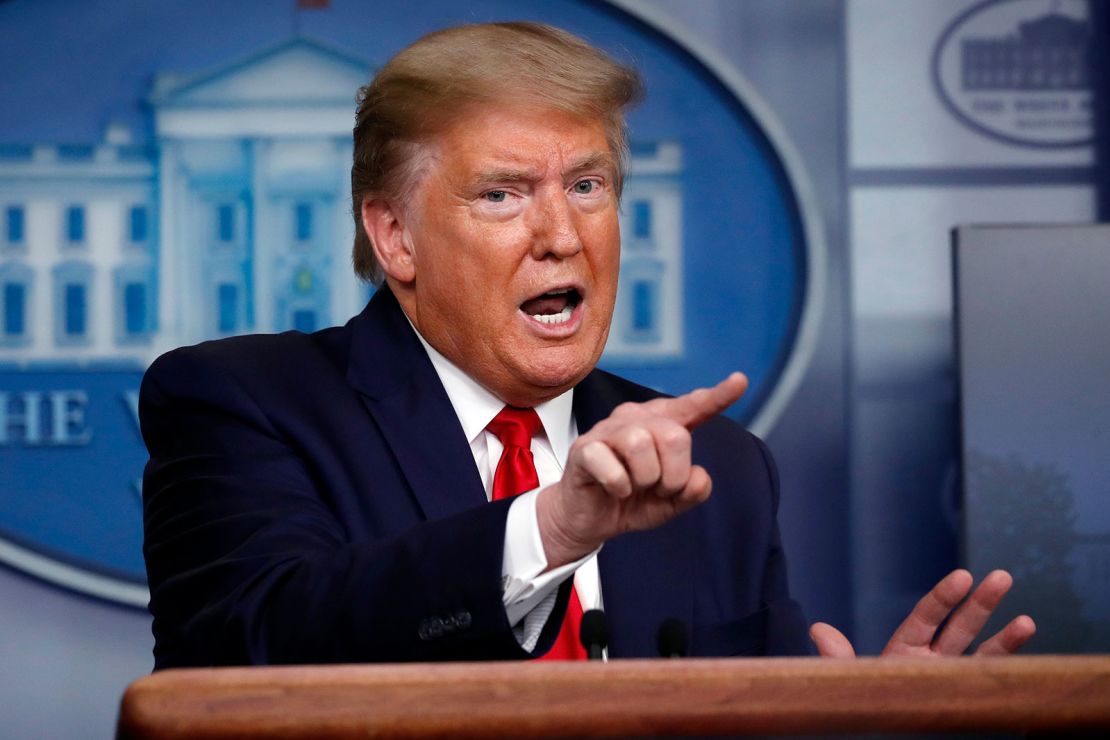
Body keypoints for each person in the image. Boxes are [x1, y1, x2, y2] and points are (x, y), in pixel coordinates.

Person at [139, 22, 1034, 669]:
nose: (561, 234)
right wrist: (552, 526)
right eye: (502, 194)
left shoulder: (716, 469)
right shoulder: (243, 402)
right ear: (395, 237)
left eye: (588, 184)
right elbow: (250, 647)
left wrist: (859, 727)